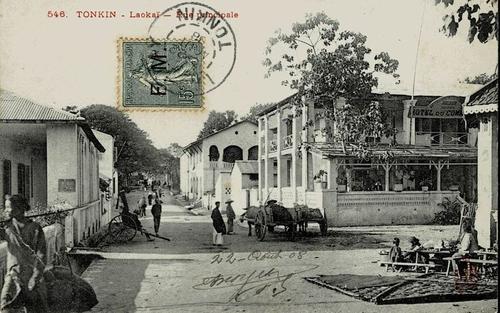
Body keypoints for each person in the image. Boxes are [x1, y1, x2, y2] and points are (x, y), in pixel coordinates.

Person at [0, 195, 49, 313]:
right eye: (5, 207)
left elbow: (41, 255)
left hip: (31, 276)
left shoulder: (35, 228)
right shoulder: (7, 227)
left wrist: (35, 278)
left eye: (8, 207)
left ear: (20, 208)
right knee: (5, 307)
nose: (5, 210)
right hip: (13, 276)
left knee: (35, 309)